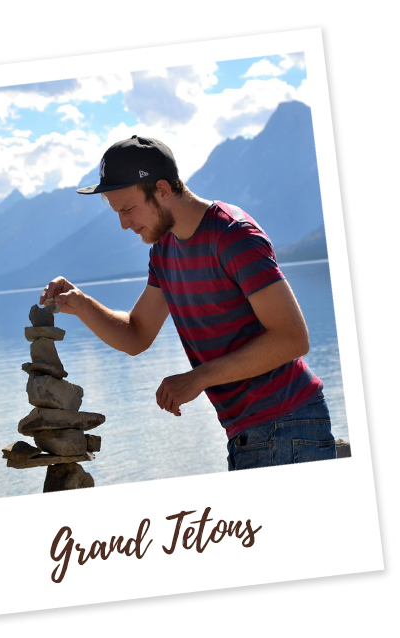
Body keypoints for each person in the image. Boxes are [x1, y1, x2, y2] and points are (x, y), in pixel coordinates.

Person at [41, 135, 336, 471]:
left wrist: (198, 378)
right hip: (248, 433)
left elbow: (292, 338)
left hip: (288, 424)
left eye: (128, 209)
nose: (123, 224)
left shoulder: (233, 235)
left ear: (163, 189)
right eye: (117, 213)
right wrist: (80, 304)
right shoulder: (164, 251)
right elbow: (137, 334)